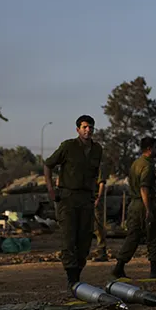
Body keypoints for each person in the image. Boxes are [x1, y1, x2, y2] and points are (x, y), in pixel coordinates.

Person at [44, 115, 103, 289]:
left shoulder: (97, 149)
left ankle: (77, 274)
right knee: (69, 238)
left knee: (85, 239)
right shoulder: (68, 146)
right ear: (78, 129)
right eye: (84, 127)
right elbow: (48, 165)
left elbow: (96, 174)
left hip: (86, 199)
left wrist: (95, 194)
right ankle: (72, 278)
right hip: (68, 198)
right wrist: (50, 190)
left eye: (91, 127)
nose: (88, 130)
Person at [113, 137, 156, 279]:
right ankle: (154, 269)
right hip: (144, 204)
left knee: (133, 236)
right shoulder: (148, 166)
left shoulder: (136, 163)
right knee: (155, 235)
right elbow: (144, 188)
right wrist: (149, 210)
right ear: (149, 149)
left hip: (134, 204)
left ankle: (119, 266)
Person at [91, 176, 109, 262]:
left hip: (94, 199)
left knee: (98, 226)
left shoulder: (97, 165)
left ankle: (102, 251)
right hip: (85, 199)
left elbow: (102, 183)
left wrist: (98, 198)